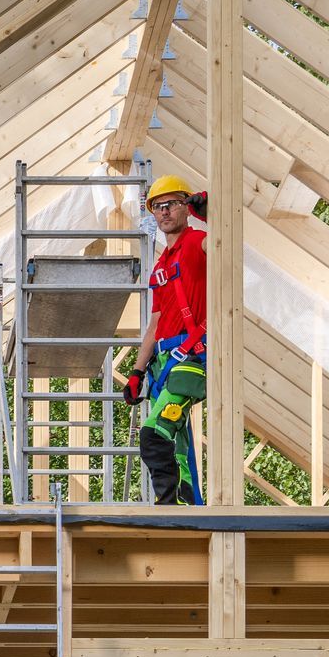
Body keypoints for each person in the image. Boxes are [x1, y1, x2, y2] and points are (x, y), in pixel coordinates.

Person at [124, 175, 209, 505]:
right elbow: (155, 324)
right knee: (178, 445)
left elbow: (227, 248)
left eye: (172, 203)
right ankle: (189, 505)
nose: (164, 212)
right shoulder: (161, 266)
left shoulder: (197, 242)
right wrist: (137, 371)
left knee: (154, 435)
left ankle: (170, 507)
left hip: (191, 358)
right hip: (164, 363)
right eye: (158, 207)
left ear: (186, 207)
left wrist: (211, 215)